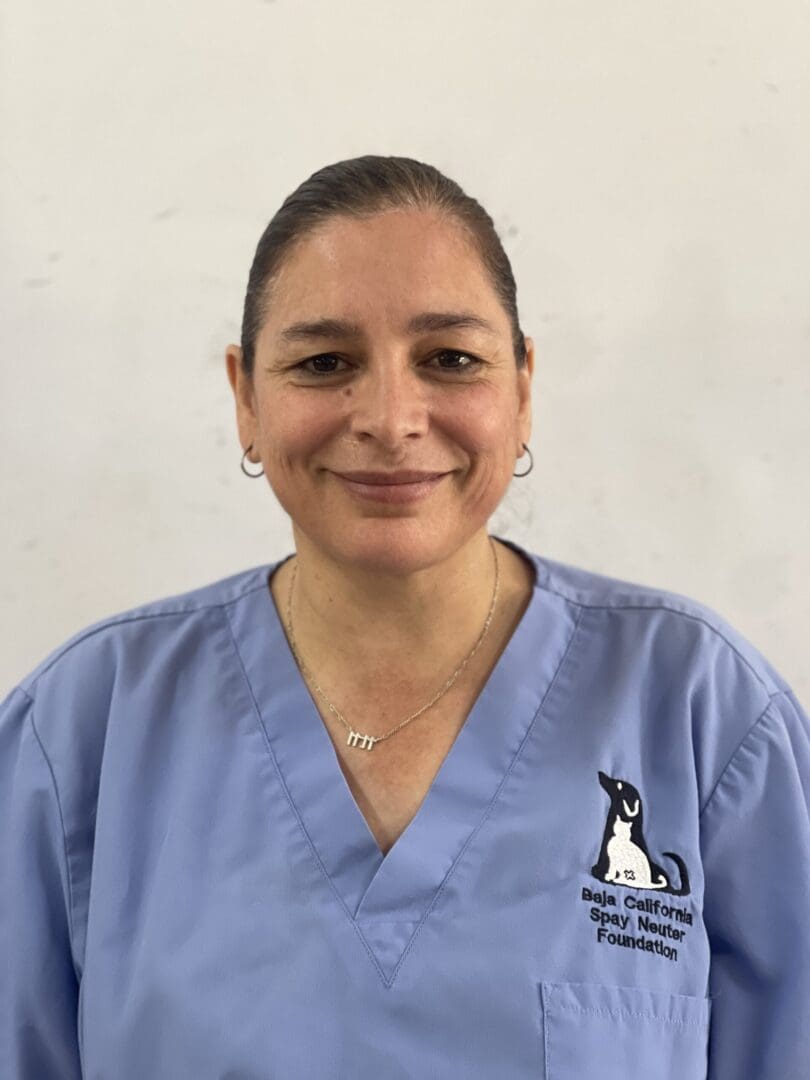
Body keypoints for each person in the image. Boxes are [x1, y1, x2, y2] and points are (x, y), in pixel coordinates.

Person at [0, 154, 807, 1080]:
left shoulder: (702, 716)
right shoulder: (80, 738)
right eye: (325, 362)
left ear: (523, 389)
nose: (390, 416)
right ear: (246, 399)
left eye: (450, 359)